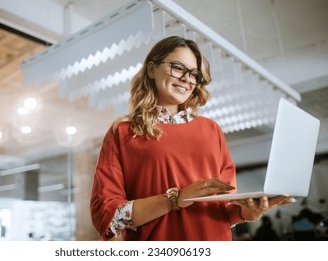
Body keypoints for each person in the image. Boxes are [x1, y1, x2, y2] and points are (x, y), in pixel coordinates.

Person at [90, 36, 295, 241]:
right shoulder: (124, 131)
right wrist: (177, 199)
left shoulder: (211, 129)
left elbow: (224, 207)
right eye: (178, 68)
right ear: (152, 70)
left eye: (194, 74)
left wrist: (248, 213)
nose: (187, 79)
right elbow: (107, 215)